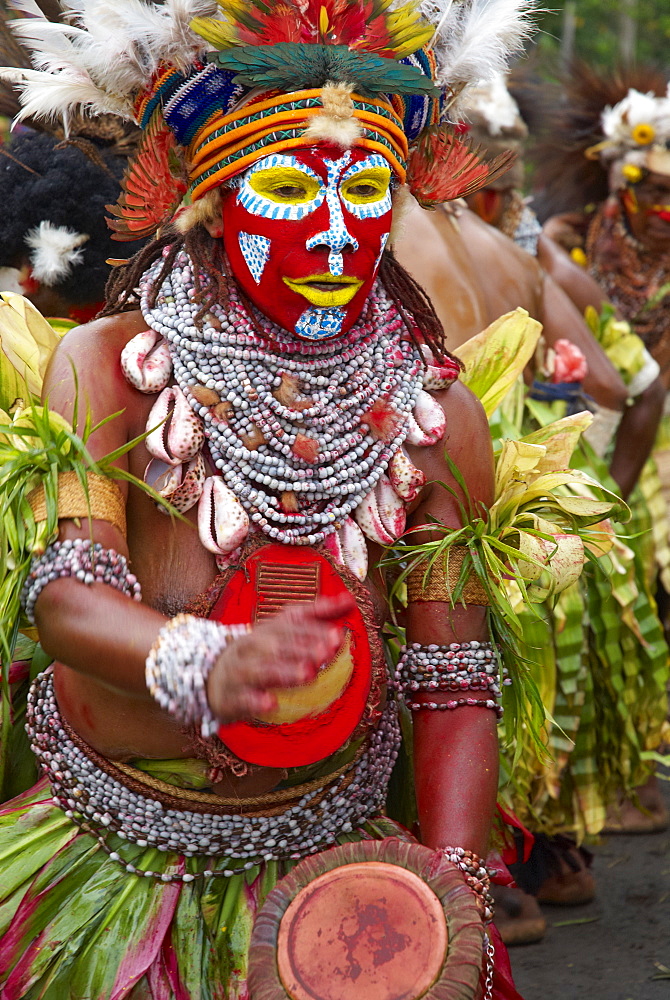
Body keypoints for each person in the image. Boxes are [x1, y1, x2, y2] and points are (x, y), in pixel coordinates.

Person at [0, 1, 544, 997]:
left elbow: (453, 676)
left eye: (367, 189)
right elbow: (65, 598)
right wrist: (204, 658)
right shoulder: (108, 368)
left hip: (334, 890)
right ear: (212, 200)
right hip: (112, 869)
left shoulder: (438, 413)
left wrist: (454, 888)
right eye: (292, 187)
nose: (337, 234)